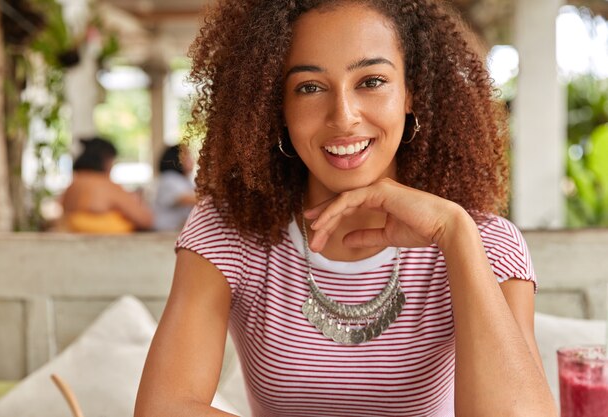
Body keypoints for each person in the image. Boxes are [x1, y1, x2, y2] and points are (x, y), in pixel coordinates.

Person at [135, 1, 558, 416]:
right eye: (310, 87)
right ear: (277, 107)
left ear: (411, 93)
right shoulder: (228, 231)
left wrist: (455, 233)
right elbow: (164, 408)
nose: (343, 116)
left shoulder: (485, 242)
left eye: (371, 81)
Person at [60, 137, 153, 233]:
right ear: (107, 160)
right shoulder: (105, 186)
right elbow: (145, 220)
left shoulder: (72, 186)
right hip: (109, 244)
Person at [152, 145, 197, 231]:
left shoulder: (185, 180)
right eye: (187, 156)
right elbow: (189, 199)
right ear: (176, 159)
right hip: (164, 232)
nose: (192, 159)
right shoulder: (169, 178)